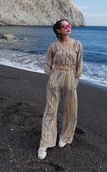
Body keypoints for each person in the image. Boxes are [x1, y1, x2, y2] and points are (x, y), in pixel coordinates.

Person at [38, 19, 83, 160]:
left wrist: (76, 79)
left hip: (70, 77)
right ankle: (45, 143)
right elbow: (47, 63)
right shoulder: (53, 45)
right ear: (58, 30)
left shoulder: (77, 44)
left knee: (71, 110)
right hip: (56, 76)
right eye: (65, 26)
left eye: (69, 25)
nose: (68, 27)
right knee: (50, 110)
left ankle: (65, 136)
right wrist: (50, 76)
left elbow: (80, 63)